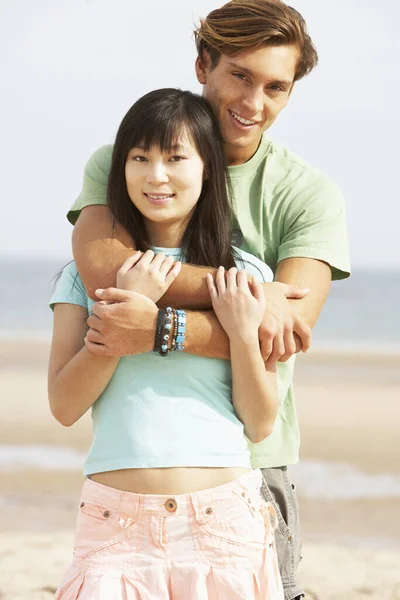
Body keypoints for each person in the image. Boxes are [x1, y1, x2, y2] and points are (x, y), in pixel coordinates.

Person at [66, 2, 351, 599]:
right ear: (203, 65)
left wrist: (157, 329)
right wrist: (244, 296)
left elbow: (285, 329)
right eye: (241, 76)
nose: (254, 103)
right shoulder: (128, 163)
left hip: (251, 461)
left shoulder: (308, 194)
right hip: (129, 483)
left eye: (276, 87)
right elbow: (101, 270)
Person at [49, 88, 285, 599]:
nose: (156, 175)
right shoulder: (84, 277)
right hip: (114, 524)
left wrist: (243, 333)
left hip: (223, 522)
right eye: (140, 158)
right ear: (121, 169)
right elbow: (64, 406)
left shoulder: (244, 278)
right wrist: (117, 321)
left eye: (176, 158)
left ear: (207, 167)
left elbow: (262, 421)